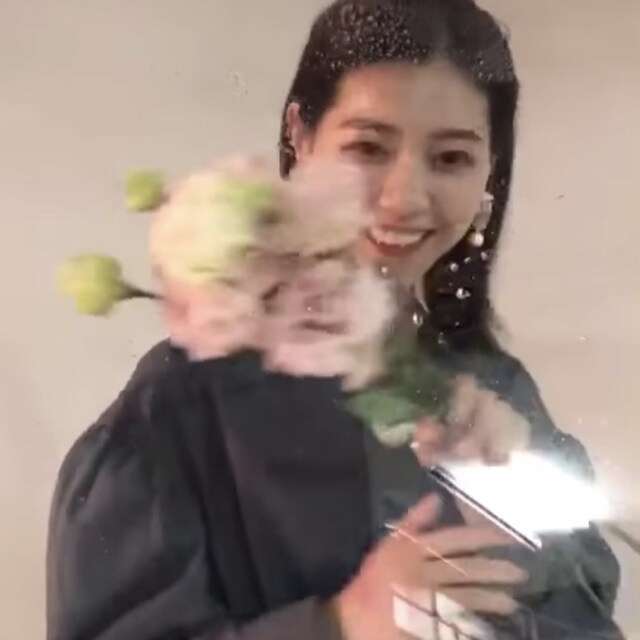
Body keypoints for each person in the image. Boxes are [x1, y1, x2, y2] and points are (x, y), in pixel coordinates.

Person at [46, 1, 624, 639]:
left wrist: (512, 527)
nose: (404, 198)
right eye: (368, 147)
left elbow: (590, 620)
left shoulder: (499, 395)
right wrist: (339, 624)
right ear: (301, 135)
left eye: (451, 159)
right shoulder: (182, 406)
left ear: (491, 169)